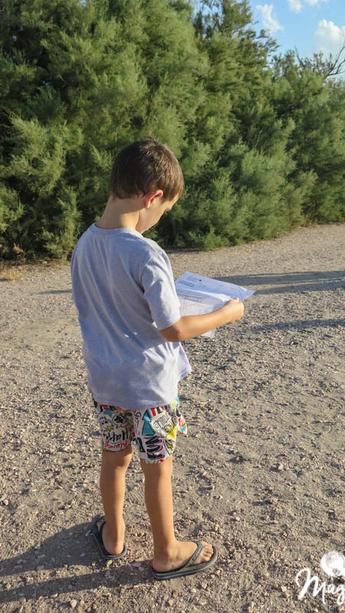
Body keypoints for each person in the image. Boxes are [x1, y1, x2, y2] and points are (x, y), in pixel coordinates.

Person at [70, 138, 245, 580]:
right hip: (151, 390)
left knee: (114, 458)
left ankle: (113, 535)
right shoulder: (146, 254)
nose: (158, 220)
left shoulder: (84, 245)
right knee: (158, 468)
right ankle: (167, 551)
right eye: (163, 211)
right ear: (153, 197)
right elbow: (173, 328)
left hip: (106, 383)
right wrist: (226, 312)